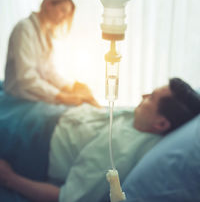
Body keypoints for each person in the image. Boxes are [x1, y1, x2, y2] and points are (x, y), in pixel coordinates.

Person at [0, 78, 200, 202]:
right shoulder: (141, 119)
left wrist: (11, 179)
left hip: (33, 139)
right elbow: (107, 117)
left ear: (161, 124)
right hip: (49, 113)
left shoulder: (118, 155)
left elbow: (66, 197)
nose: (143, 95)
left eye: (151, 97)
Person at [4, 0, 99, 108]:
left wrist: (70, 87)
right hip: (20, 96)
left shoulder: (46, 34)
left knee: (85, 98)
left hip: (36, 92)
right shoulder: (24, 29)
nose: (64, 17)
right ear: (48, 4)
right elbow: (26, 78)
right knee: (77, 108)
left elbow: (49, 72)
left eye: (67, 14)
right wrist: (61, 96)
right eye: (62, 10)